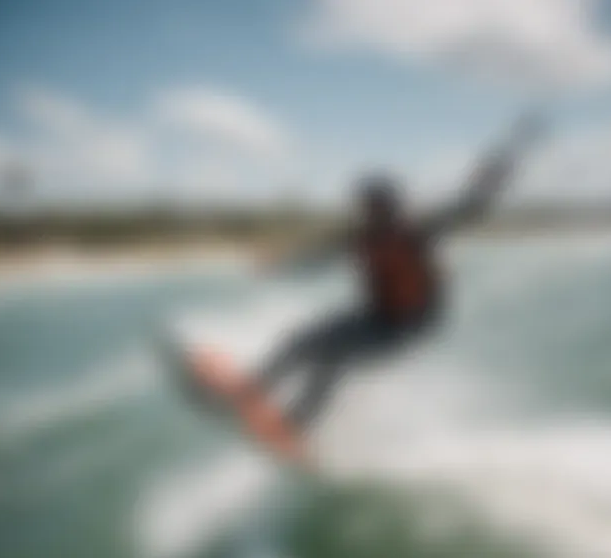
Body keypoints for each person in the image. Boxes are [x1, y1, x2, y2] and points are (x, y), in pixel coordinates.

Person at [194, 114, 544, 433]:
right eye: (366, 206)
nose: (369, 212)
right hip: (374, 317)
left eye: (375, 206)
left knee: (334, 360)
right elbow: (318, 257)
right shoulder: (360, 236)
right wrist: (280, 264)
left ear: (391, 206)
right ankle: (248, 392)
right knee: (297, 342)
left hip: (410, 326)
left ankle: (297, 424)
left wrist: (492, 178)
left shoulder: (416, 232)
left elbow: (470, 208)